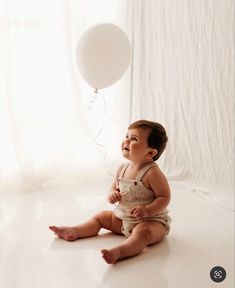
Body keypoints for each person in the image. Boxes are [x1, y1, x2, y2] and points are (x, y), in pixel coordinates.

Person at [49, 119, 171, 264]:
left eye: (134, 139)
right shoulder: (122, 169)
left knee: (144, 233)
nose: (126, 141)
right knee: (101, 217)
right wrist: (112, 195)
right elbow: (113, 187)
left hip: (150, 221)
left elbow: (164, 196)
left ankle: (121, 251)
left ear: (150, 153)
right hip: (122, 219)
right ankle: (76, 231)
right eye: (127, 136)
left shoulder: (153, 173)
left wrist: (148, 210)